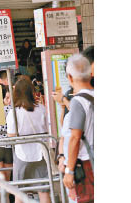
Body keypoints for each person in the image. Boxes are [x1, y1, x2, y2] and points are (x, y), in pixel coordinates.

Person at [6, 79, 50, 203]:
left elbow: (11, 134)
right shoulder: (41, 108)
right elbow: (48, 128)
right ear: (32, 91)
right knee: (44, 190)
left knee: (20, 193)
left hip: (22, 154)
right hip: (41, 153)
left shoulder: (14, 112)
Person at [61, 54, 94, 203]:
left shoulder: (78, 102)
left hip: (87, 163)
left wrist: (69, 170)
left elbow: (75, 138)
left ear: (70, 77)